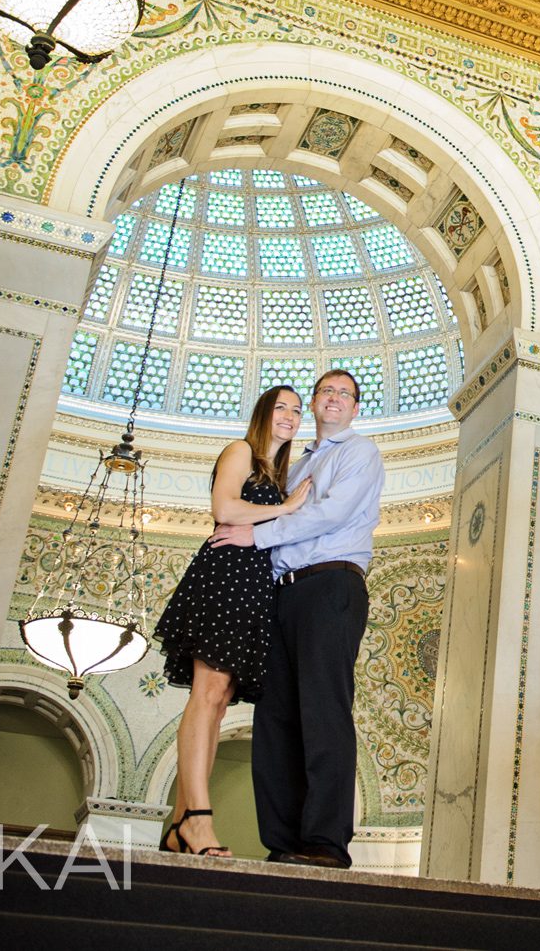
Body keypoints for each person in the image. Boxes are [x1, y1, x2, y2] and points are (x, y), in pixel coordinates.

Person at [208, 367, 382, 868]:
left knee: (323, 711)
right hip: (280, 593)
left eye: (343, 394)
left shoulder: (358, 453)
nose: (333, 399)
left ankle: (325, 843)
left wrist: (255, 536)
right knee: (275, 717)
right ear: (315, 401)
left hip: (330, 584)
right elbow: (261, 508)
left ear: (355, 407)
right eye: (325, 391)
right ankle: (283, 840)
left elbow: (330, 515)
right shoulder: (291, 465)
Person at [153, 384, 312, 858]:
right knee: (207, 693)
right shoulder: (241, 451)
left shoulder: (282, 474)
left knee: (219, 699)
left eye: (297, 410)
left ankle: (181, 823)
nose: (290, 415)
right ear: (264, 413)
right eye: (281, 407)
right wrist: (285, 508)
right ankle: (199, 822)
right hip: (225, 575)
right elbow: (224, 509)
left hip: (255, 584)